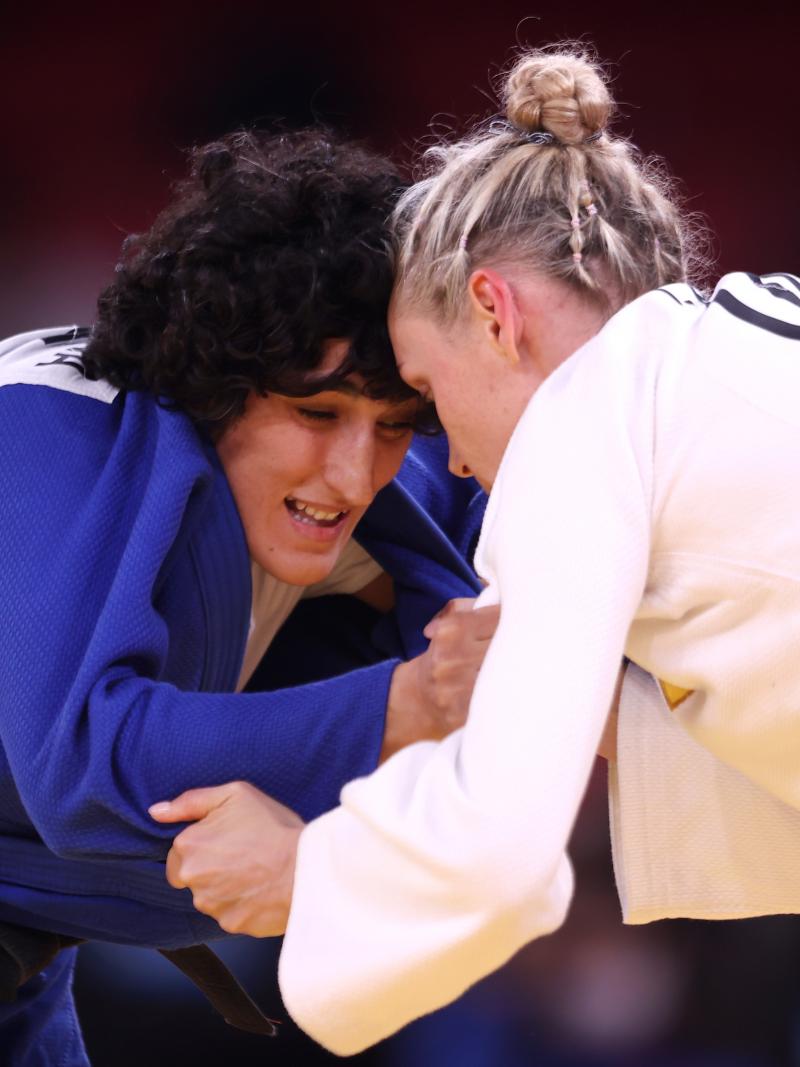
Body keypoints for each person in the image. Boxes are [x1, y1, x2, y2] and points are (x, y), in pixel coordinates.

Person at [155, 43, 800, 1057]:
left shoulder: (582, 415)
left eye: (426, 390)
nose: (451, 459)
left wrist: (312, 870)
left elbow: (502, 853)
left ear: (495, 314)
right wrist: (605, 720)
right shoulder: (735, 353)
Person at [0, 128, 495, 1066]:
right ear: (218, 380)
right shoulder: (43, 427)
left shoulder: (382, 492)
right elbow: (83, 764)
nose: (354, 474)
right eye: (316, 413)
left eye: (395, 425)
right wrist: (410, 704)